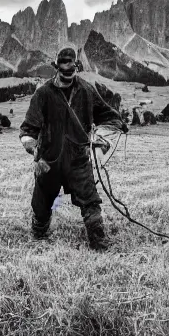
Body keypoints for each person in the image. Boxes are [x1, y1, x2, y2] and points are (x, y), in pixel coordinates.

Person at [19, 47, 127, 251]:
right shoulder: (43, 94)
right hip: (49, 161)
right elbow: (27, 130)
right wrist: (35, 152)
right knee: (41, 208)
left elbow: (107, 114)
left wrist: (115, 125)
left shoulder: (86, 90)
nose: (68, 74)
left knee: (91, 203)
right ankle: (39, 233)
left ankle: (99, 244)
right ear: (56, 68)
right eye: (64, 70)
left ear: (76, 67)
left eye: (72, 69)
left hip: (78, 159)